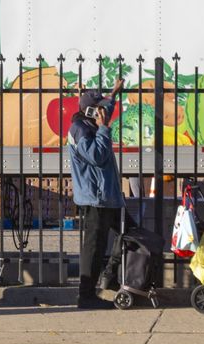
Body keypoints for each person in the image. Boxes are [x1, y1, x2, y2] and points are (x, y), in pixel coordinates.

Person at [68, 78, 127, 310]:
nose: (105, 111)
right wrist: (104, 128)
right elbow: (96, 156)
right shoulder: (81, 129)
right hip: (96, 198)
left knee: (128, 234)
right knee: (93, 247)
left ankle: (110, 276)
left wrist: (114, 92)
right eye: (99, 108)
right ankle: (86, 295)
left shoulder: (89, 121)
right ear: (91, 111)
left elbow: (106, 107)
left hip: (107, 197)